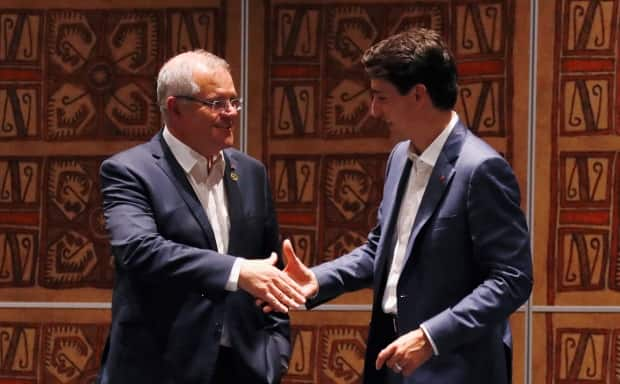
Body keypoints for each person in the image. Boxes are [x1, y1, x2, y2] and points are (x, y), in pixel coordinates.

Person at [278, 28, 533, 383]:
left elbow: (512, 279)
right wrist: (318, 280)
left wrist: (431, 337)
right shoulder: (399, 156)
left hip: (454, 368)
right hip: (391, 361)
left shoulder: (481, 169)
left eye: (381, 97)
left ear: (418, 95)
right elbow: (380, 249)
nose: (373, 110)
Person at [97, 50, 306, 384]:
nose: (231, 114)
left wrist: (275, 351)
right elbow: (139, 249)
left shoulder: (250, 172)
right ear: (174, 107)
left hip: (243, 366)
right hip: (159, 368)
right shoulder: (129, 171)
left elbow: (271, 267)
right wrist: (236, 271)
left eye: (234, 102)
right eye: (216, 103)